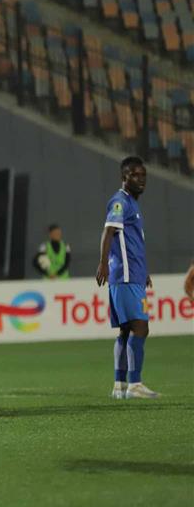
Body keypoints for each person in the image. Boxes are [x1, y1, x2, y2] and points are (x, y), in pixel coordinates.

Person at [96, 156, 158, 400]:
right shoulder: (120, 201)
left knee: (125, 330)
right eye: (135, 175)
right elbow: (108, 231)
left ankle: (120, 385)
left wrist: (143, 272)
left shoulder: (131, 203)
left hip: (131, 274)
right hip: (125, 276)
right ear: (124, 177)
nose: (141, 179)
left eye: (143, 175)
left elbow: (130, 243)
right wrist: (103, 263)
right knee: (141, 327)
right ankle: (135, 384)